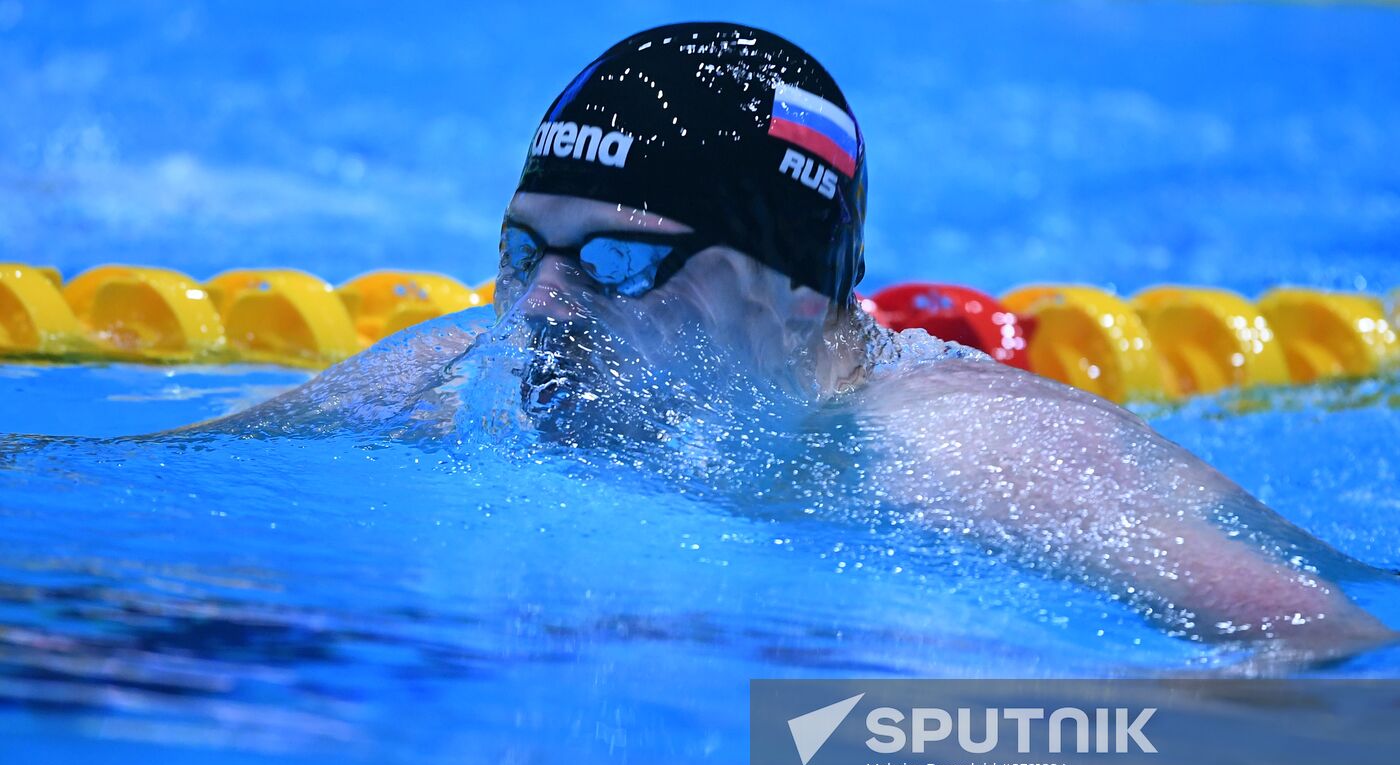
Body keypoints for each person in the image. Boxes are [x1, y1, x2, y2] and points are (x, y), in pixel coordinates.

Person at [224, 22, 1395, 659]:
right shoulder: (465, 370)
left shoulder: (961, 464)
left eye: (619, 261)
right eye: (526, 251)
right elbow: (131, 479)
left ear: (789, 299)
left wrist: (867, 753)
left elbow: (1331, 652)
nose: (540, 313)